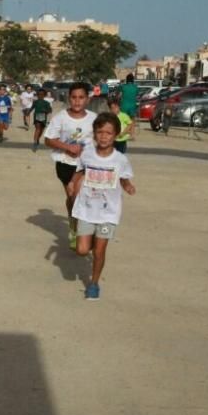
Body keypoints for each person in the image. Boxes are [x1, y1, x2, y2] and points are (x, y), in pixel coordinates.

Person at [71, 112, 136, 300]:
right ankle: (86, 237)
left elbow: (124, 178)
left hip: (108, 212)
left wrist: (128, 186)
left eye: (108, 133)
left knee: (100, 250)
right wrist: (72, 184)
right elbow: (79, 171)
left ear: (116, 135)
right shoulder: (87, 155)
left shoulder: (120, 159)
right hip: (86, 209)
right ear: (94, 134)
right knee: (82, 250)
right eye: (100, 132)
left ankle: (94, 283)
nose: (104, 136)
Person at [44, 82, 97, 250]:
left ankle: (83, 231)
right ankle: (74, 224)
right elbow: (48, 139)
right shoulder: (60, 117)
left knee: (78, 195)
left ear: (87, 99)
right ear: (69, 99)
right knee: (72, 197)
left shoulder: (94, 118)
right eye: (74, 97)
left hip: (86, 165)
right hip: (65, 163)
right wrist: (68, 147)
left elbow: (101, 137)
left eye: (81, 97)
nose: (77, 101)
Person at [31, 88, 52, 152]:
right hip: (37, 116)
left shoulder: (46, 103)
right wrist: (28, 112)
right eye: (39, 94)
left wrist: (45, 111)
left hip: (43, 117)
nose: (40, 96)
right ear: (37, 95)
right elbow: (32, 108)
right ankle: (35, 142)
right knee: (37, 128)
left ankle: (37, 139)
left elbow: (50, 110)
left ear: (44, 95)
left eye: (42, 95)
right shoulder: (35, 102)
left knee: (41, 130)